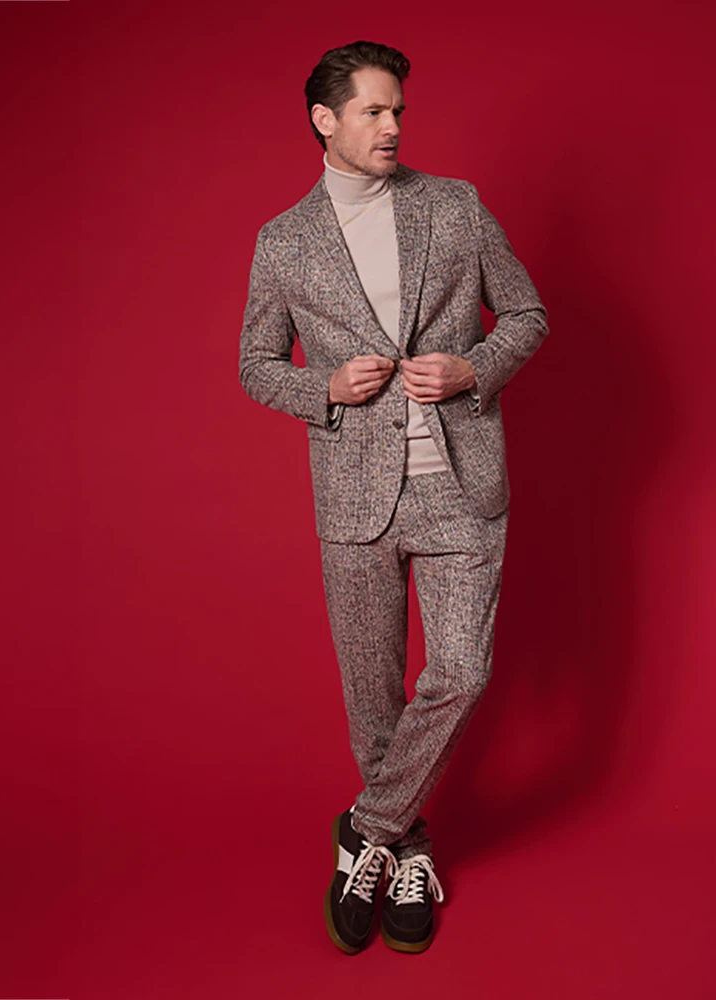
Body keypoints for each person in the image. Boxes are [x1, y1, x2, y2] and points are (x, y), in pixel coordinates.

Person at [239, 39, 548, 954]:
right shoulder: (283, 241)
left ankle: (364, 832)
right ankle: (406, 849)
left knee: (462, 673)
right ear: (323, 120)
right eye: (373, 111)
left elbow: (527, 313)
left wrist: (473, 368)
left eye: (398, 111)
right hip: (354, 493)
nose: (392, 127)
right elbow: (256, 365)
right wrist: (324, 388)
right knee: (372, 697)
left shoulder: (455, 206)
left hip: (460, 481)